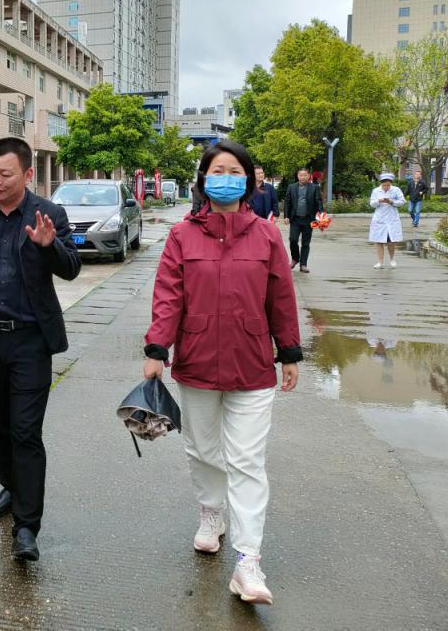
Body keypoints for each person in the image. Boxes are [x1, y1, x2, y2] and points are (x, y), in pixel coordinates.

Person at [143, 140, 302, 606]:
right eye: (217, 170)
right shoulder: (181, 236)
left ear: (248, 181)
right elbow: (168, 295)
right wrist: (156, 348)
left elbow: (281, 297)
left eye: (235, 171)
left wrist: (289, 351)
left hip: (252, 364)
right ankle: (212, 514)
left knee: (248, 461)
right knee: (203, 450)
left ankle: (248, 562)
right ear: (204, 180)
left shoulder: (267, 236)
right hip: (196, 362)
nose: (226, 178)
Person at [0, 137, 82, 562]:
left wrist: (49, 246)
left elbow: (72, 268)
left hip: (30, 341)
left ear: (27, 174)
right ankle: (10, 487)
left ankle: (26, 526)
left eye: (5, 174)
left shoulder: (49, 215)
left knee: (25, 432)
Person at [283, 167, 323, 273]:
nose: (303, 177)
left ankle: (303, 264)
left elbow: (319, 202)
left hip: (309, 219)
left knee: (305, 243)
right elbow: (287, 202)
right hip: (295, 219)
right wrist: (286, 216)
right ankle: (295, 258)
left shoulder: (314, 187)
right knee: (293, 240)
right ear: (298, 176)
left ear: (309, 176)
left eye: (305, 175)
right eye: (300, 175)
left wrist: (321, 215)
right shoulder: (292, 187)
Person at [369, 172, 406, 269]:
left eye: (388, 185)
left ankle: (392, 258)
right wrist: (379, 201)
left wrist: (392, 201)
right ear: (381, 184)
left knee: (391, 241)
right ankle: (380, 262)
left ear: (391, 183)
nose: (386, 187)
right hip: (379, 219)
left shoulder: (396, 190)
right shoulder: (376, 191)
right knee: (379, 241)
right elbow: (372, 204)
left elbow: (402, 202)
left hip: (391, 218)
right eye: (384, 185)